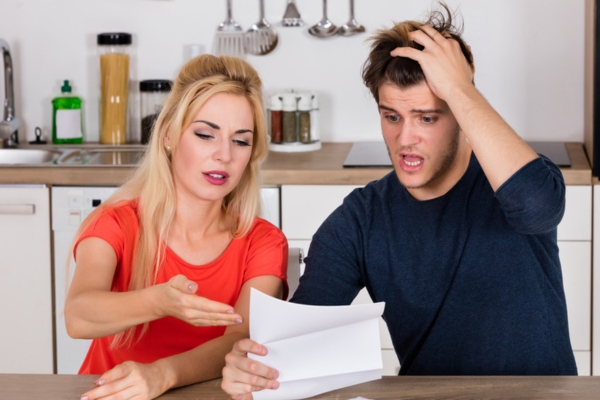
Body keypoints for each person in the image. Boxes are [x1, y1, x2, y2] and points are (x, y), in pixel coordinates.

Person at [221, 4, 577, 398]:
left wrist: (460, 88)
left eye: (427, 118)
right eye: (392, 117)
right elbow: (299, 343)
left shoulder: (513, 179)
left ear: (461, 112)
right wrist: (255, 366)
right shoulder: (361, 220)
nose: (406, 138)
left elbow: (537, 206)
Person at [64, 54, 288, 400]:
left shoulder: (263, 242)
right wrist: (159, 301)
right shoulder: (115, 224)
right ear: (168, 135)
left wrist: (163, 374)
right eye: (205, 135)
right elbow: (78, 316)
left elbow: (239, 341)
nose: (224, 155)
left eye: (240, 141)